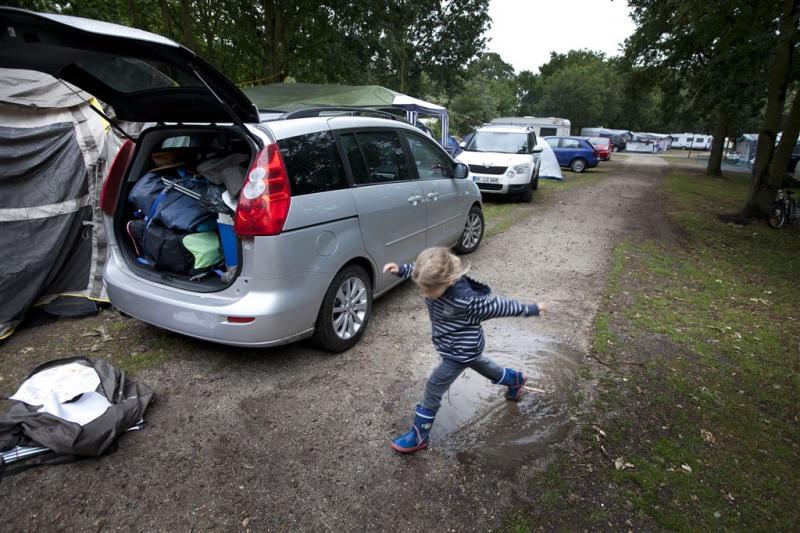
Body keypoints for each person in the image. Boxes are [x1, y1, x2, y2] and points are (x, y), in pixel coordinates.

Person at [384, 247, 548, 453]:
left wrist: (532, 309)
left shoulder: (469, 302)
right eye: (421, 287)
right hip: (462, 347)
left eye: (428, 290)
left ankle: (419, 436)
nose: (423, 293)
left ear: (447, 282)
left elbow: (502, 306)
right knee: (482, 364)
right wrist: (400, 269)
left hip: (459, 351)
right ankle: (515, 379)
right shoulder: (433, 280)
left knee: (434, 386)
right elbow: (418, 271)